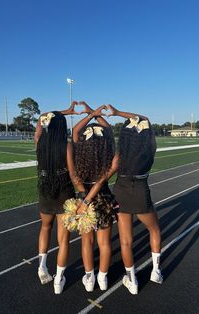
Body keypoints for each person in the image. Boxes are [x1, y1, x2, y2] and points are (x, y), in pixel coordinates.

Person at [108, 104, 163, 295]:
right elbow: (144, 118)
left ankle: (132, 281)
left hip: (121, 191)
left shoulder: (120, 155)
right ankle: (156, 271)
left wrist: (115, 114)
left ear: (124, 137)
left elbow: (110, 171)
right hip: (141, 191)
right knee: (154, 229)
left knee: (125, 241)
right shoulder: (150, 149)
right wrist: (119, 113)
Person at [67, 102, 118, 292]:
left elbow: (75, 130)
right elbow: (109, 129)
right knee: (104, 242)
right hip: (103, 197)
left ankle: (89, 278)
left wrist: (89, 114)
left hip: (82, 199)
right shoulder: (108, 149)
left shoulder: (79, 150)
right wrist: (94, 113)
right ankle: (103, 277)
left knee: (86, 242)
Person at [34, 102, 79, 294]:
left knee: (45, 227)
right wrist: (84, 195)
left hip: (45, 189)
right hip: (64, 192)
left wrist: (62, 112)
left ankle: (42, 267)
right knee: (64, 239)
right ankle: (59, 280)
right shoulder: (66, 146)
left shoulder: (39, 141)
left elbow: (40, 117)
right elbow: (73, 175)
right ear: (62, 128)